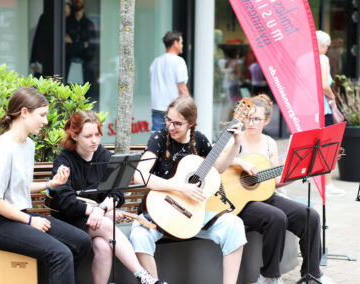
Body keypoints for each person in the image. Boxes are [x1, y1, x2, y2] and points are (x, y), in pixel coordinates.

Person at [0, 87, 92, 284]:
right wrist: (30, 221)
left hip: (19, 217)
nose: (46, 121)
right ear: (24, 113)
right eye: (42, 115)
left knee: (81, 241)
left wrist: (51, 183)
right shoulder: (1, 149)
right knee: (60, 254)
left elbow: (19, 186)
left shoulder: (28, 145)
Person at [129, 95, 246, 284]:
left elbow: (218, 168)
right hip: (160, 211)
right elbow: (140, 175)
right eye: (168, 120)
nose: (171, 126)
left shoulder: (199, 140)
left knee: (234, 226)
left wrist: (236, 144)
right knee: (139, 235)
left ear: (191, 123)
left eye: (177, 123)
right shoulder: (159, 138)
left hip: (192, 215)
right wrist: (181, 187)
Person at [49, 110, 166, 284]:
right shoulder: (64, 160)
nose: (94, 140)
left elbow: (117, 193)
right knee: (106, 224)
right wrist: (96, 211)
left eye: (97, 134)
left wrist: (102, 208)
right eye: (88, 136)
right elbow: (66, 202)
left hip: (96, 219)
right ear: (74, 135)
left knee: (104, 247)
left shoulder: (104, 155)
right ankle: (143, 276)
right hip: (69, 221)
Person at [229, 94, 334, 284]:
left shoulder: (269, 143)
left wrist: (294, 174)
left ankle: (312, 274)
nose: (250, 122)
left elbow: (274, 180)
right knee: (276, 217)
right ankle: (269, 276)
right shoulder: (235, 138)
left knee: (310, 216)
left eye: (256, 119)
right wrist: (239, 162)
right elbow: (218, 162)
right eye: (248, 117)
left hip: (265, 195)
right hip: (239, 201)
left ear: (267, 121)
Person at [316, 30, 346, 197]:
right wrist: (332, 96)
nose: (327, 48)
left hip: (306, 108)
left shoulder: (302, 58)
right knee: (327, 146)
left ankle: (280, 184)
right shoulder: (322, 59)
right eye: (326, 45)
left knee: (302, 146)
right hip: (322, 109)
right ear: (322, 45)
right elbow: (323, 84)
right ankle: (327, 185)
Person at [150, 31, 189, 132]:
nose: (182, 45)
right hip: (173, 108)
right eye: (181, 42)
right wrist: (189, 106)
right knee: (174, 140)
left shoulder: (156, 61)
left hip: (157, 107)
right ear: (175, 43)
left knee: (156, 139)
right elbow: (182, 88)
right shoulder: (179, 61)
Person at [66, 0, 96, 99]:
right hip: (67, 69)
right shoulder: (65, 23)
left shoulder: (89, 24)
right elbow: (65, 50)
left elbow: (91, 53)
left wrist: (73, 44)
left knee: (84, 101)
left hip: (85, 70)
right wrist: (83, 45)